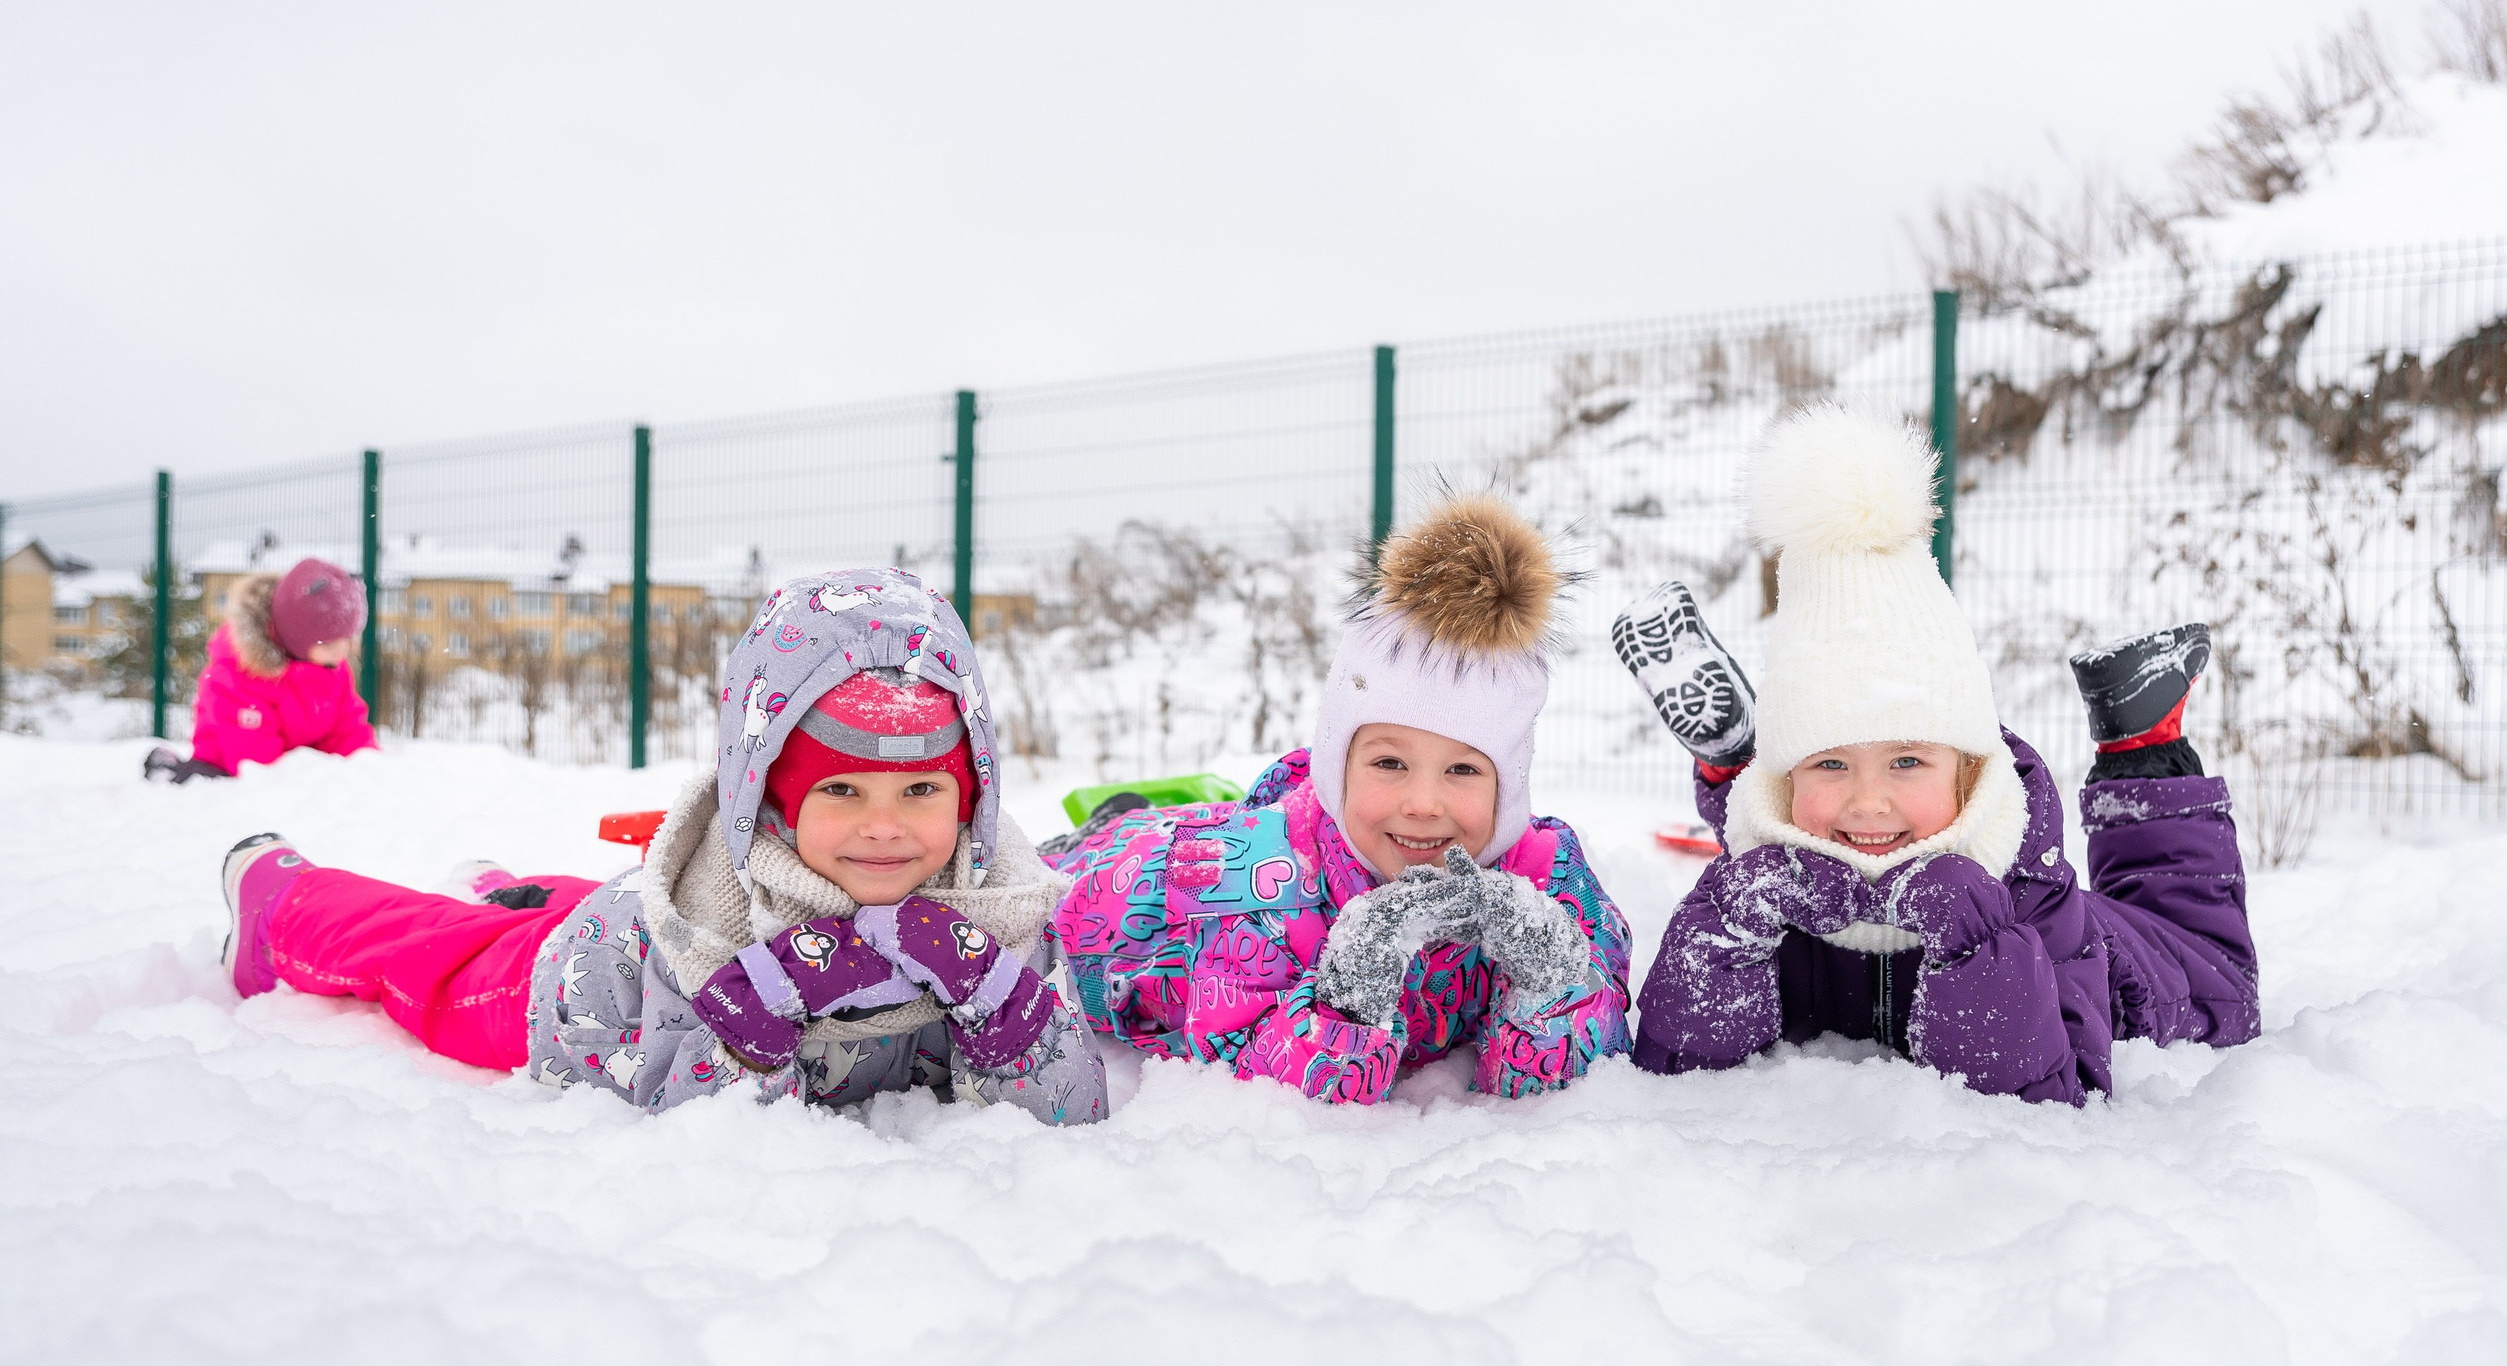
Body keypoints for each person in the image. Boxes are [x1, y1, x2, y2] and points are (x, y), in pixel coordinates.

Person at [214, 567, 1107, 1123]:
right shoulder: (708, 924)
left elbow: (1074, 1109)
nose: (884, 825)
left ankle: (503, 886)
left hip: (621, 912)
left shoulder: (1002, 905)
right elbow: (686, 1127)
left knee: (519, 911)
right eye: (840, 790)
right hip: (579, 985)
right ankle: (280, 900)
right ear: (774, 802)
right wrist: (755, 1020)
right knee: (428, 954)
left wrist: (1002, 999)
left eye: (921, 790)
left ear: (973, 794)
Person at [1620, 404, 2258, 1104]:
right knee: (1796, 817)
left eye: (1906, 761)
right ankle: (1744, 760)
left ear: (1967, 769)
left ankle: (2142, 742)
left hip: (2122, 959)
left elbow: (2055, 1091)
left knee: (2216, 982)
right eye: (1830, 761)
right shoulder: (1774, 876)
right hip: (1788, 814)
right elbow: (1676, 1065)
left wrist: (1974, 934)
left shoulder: (2021, 879)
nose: (1869, 797)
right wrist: (1730, 912)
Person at [1049, 494, 1634, 1104]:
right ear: (1339, 767)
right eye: (1389, 763)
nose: (1423, 804)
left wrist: (1547, 972)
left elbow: (1598, 1046)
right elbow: (1239, 1075)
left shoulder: (1544, 875)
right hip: (1125, 894)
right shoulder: (1254, 890)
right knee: (1082, 867)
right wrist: (1353, 988)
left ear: (1509, 788)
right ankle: (1111, 819)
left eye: (1463, 769)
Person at [146, 557, 379, 782]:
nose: (343, 652)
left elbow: (348, 729)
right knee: (203, 783)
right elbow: (255, 763)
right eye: (329, 644)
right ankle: (169, 770)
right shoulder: (239, 675)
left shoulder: (330, 666)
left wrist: (365, 768)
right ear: (296, 637)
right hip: (227, 770)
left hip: (296, 765)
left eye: (347, 640)